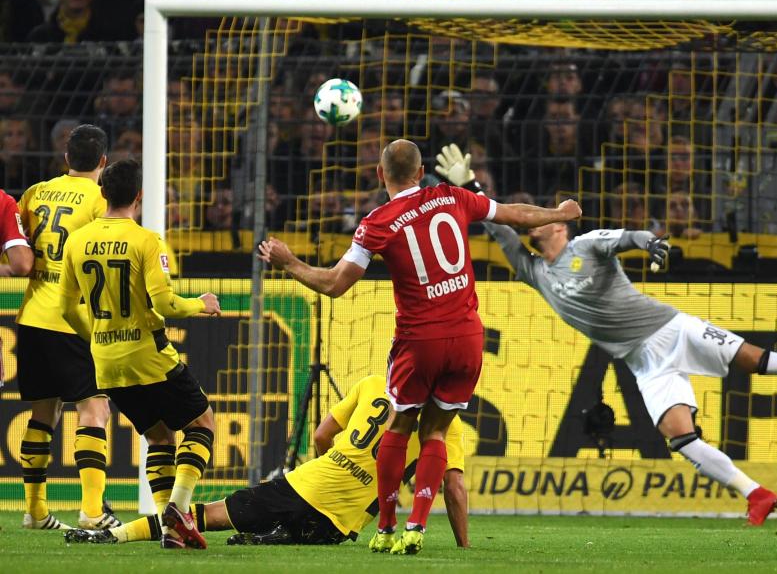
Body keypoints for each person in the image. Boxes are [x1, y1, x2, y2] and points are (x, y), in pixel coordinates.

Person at [435, 143, 777, 526]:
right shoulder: (534, 272)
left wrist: (652, 243)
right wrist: (468, 186)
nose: (526, 223)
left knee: (759, 362)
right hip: (643, 362)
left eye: (535, 217)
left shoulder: (585, 246)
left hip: (673, 330)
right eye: (524, 219)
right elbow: (497, 225)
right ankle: (756, 495)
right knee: (681, 439)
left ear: (558, 224)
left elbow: (630, 236)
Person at [257, 139, 580, 555]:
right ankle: (417, 527)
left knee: (399, 427)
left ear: (379, 174)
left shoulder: (376, 223)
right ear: (421, 169)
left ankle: (388, 527)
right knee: (437, 432)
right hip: (467, 338)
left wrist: (290, 263)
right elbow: (514, 214)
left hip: (419, 340)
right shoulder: (452, 196)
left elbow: (335, 284)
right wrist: (559, 213)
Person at [64, 374, 470, 548]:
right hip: (343, 525)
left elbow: (321, 436)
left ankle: (109, 535)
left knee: (205, 515)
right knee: (304, 531)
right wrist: (464, 546)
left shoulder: (371, 385)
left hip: (307, 484)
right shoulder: (445, 422)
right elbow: (452, 487)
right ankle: (283, 532)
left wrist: (337, 468)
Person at [58, 159, 222, 549]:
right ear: (139, 195)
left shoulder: (76, 241)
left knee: (159, 437)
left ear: (102, 193)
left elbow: (67, 308)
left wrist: (99, 336)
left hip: (107, 362)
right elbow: (164, 304)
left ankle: (170, 531)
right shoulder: (147, 241)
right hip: (148, 354)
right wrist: (201, 303)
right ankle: (178, 510)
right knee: (202, 425)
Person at [16, 124, 119, 532]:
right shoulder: (100, 198)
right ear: (103, 162)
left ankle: (35, 511)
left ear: (65, 159)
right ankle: (93, 511)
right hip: (72, 318)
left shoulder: (36, 193)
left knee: (43, 413)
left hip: (31, 316)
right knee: (95, 410)